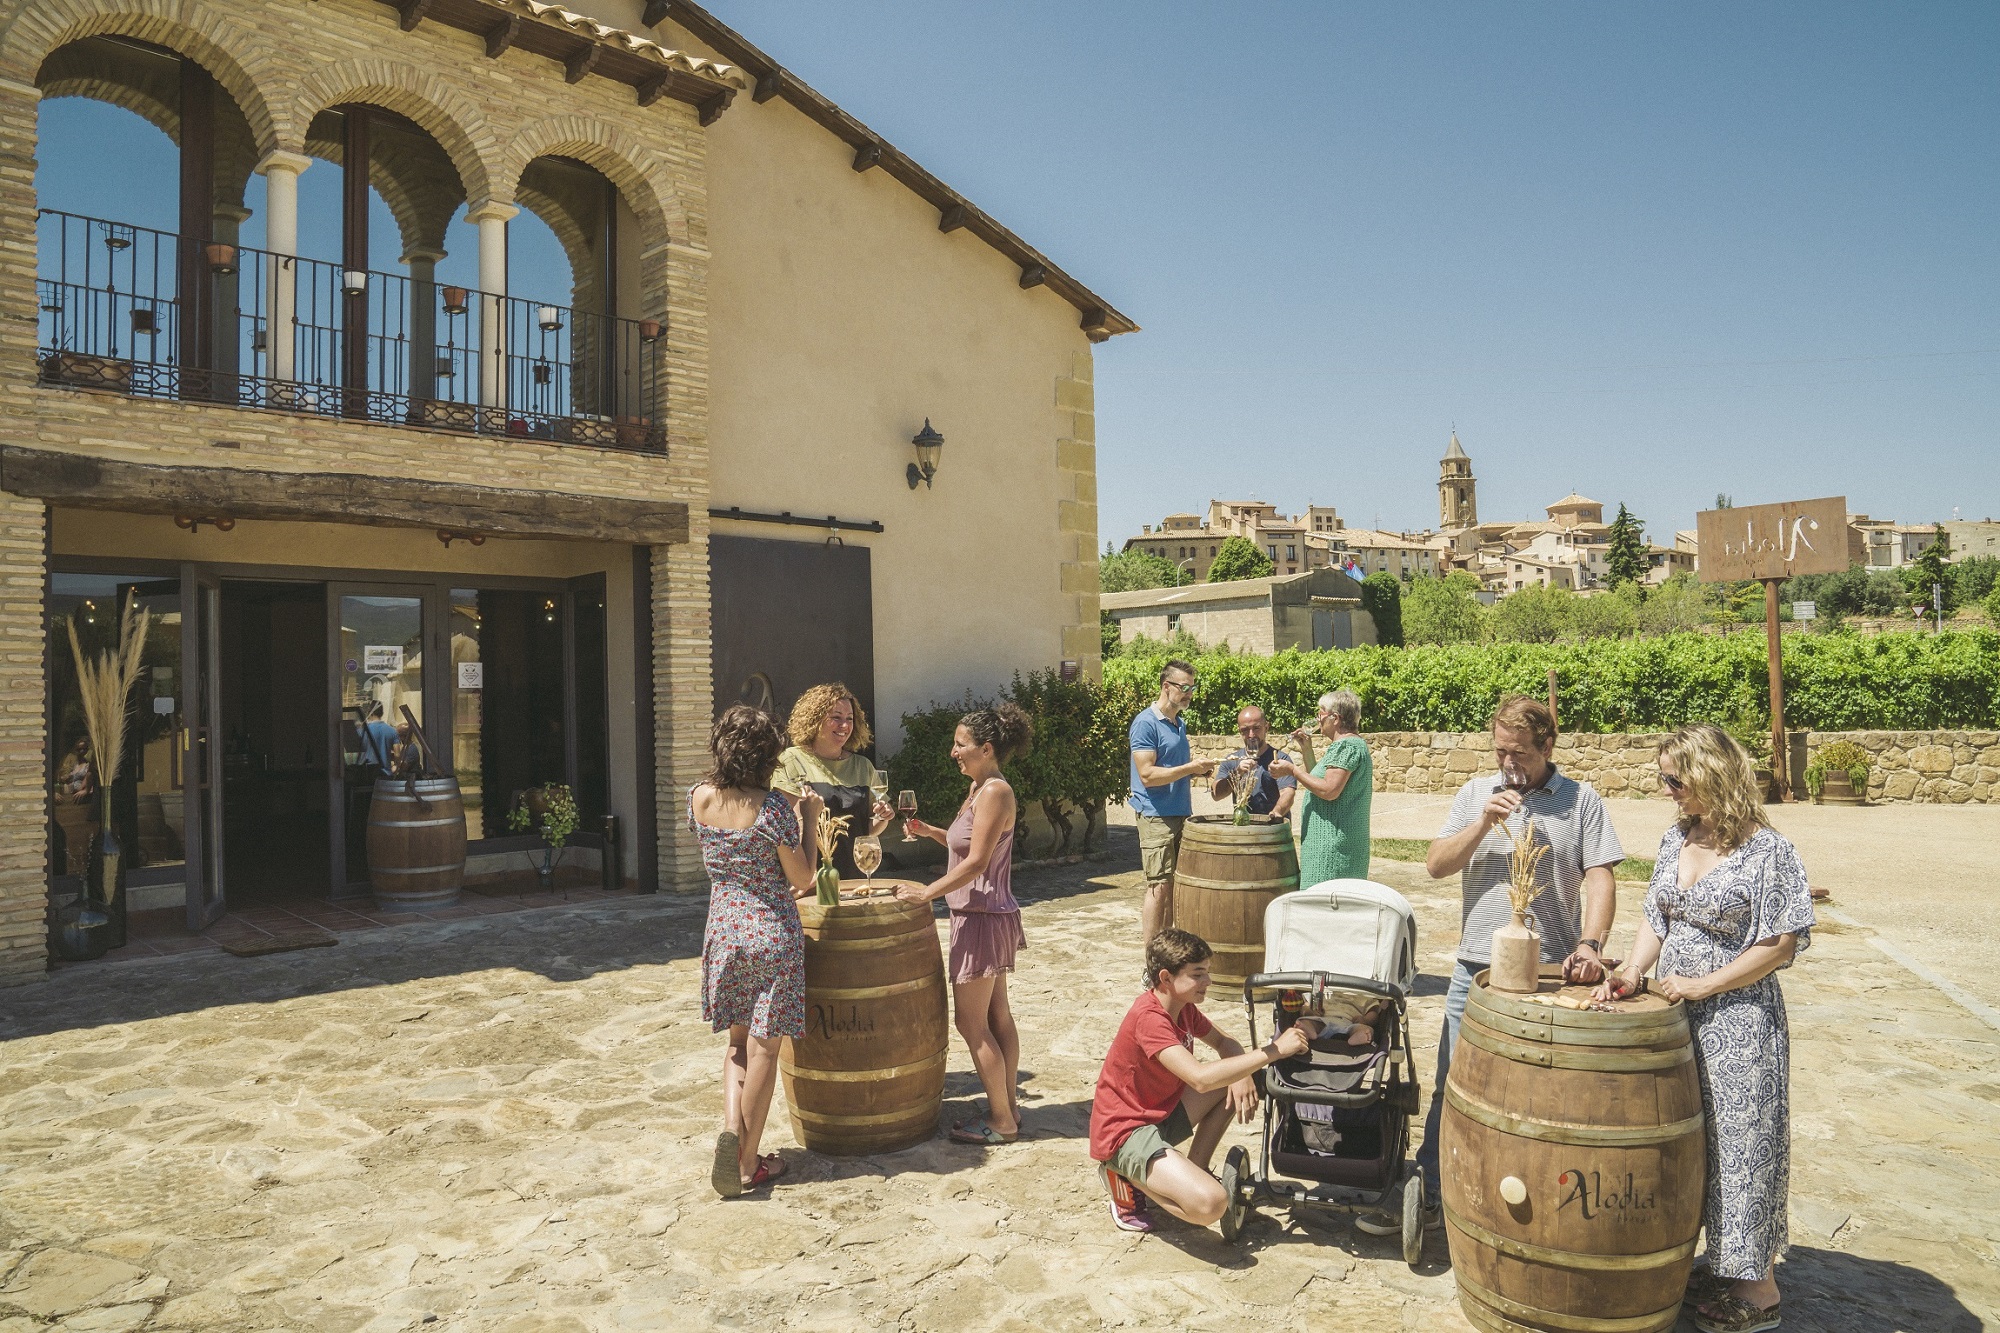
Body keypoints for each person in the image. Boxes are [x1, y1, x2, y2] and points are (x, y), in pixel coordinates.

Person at [1358, 694, 1622, 1236]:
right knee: (1454, 1083)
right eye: (1501, 751)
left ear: (1547, 745)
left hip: (1550, 972)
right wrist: (1481, 823)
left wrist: (1591, 944)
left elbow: (1600, 875)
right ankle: (1430, 1194)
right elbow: (1435, 865)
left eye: (1520, 753)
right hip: (1475, 970)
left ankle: (1535, 1210)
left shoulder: (1580, 800)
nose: (1508, 763)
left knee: (1542, 1097)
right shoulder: (1476, 792)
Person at [1594, 723, 1814, 1333]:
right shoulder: (1676, 837)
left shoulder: (1768, 851)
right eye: (1662, 777)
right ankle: (1718, 1264)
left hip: (1740, 1025)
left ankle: (1758, 1292)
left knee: (1742, 1150)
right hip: (1673, 1023)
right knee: (1690, 1147)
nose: (1666, 789)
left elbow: (1780, 944)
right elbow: (1656, 916)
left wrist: (1704, 983)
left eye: (1675, 778)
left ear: (1712, 775)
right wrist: (1635, 970)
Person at [1091, 928, 1309, 1233]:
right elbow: (1201, 1080)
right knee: (1211, 1206)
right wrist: (1273, 1051)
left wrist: (1243, 1073)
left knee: (1238, 1078)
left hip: (1160, 1112)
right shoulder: (1150, 1018)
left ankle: (1195, 1168)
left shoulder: (1184, 1009)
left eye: (1207, 972)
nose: (1207, 981)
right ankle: (1124, 1176)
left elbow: (1225, 1043)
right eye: (1198, 974)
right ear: (1166, 978)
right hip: (1125, 1131)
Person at [690, 705, 822, 1198]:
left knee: (735, 1044)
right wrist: (807, 819)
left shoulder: (698, 798)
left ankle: (731, 1127)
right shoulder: (772, 811)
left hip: (723, 932)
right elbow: (804, 879)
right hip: (771, 934)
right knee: (767, 1046)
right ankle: (748, 1162)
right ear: (769, 755)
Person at [898, 704, 1034, 1146]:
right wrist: (929, 831)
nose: (953, 752)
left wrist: (926, 892)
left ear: (986, 748)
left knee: (971, 1025)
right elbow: (969, 845)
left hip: (980, 916)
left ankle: (1001, 1120)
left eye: (961, 744)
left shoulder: (994, 791)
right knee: (997, 1016)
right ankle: (1008, 1105)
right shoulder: (979, 788)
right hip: (984, 914)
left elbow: (977, 862)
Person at [1128, 660, 1215, 944]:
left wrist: (1200, 769)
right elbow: (1148, 775)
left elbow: (1174, 769)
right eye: (1184, 687)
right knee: (1158, 887)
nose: (1189, 693)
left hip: (1180, 813)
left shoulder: (1178, 723)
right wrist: (1191, 768)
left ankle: (1168, 950)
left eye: (1193, 687)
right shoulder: (1145, 723)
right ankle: (1152, 961)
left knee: (1175, 888)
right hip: (1155, 816)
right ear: (1167, 687)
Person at [772, 683, 894, 878]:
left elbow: (865, 832)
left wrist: (882, 817)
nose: (844, 726)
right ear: (815, 719)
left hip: (855, 876)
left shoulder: (863, 766)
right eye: (836, 718)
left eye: (849, 719)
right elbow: (788, 827)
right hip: (811, 878)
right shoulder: (792, 760)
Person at [1274, 689, 1373, 883]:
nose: (1318, 719)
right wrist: (1306, 749)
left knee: (1323, 907)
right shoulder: (1346, 746)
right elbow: (1319, 782)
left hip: (1332, 851)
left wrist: (1293, 771)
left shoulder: (1346, 747)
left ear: (1335, 718)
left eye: (1321, 713)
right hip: (1330, 846)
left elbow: (1328, 790)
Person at [1209, 705, 1298, 819]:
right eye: (1245, 730)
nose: (1251, 735)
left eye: (1256, 728)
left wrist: (1276, 812)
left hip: (1274, 828)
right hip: (1244, 829)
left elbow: (1287, 793)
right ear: (1239, 731)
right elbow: (1216, 795)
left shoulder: (1280, 759)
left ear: (1266, 727)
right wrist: (1237, 773)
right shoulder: (1232, 760)